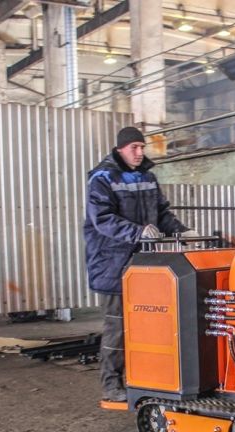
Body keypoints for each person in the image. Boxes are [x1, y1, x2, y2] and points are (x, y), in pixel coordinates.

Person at [84, 126, 191, 403]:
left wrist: (183, 232)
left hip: (144, 264)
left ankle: (146, 378)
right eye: (134, 147)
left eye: (142, 147)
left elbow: (162, 214)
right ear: (120, 149)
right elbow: (102, 219)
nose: (140, 152)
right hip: (113, 265)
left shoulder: (147, 177)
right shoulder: (103, 178)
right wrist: (138, 232)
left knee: (148, 323)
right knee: (118, 328)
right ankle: (111, 385)